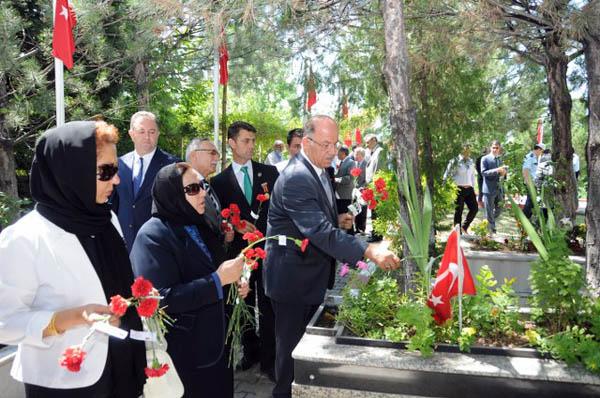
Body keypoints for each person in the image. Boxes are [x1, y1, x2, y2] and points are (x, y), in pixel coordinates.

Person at [0, 121, 146, 397]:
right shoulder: (24, 238)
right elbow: (4, 323)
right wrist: (70, 318)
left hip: (120, 368)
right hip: (64, 382)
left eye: (116, 170)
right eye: (107, 171)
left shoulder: (106, 218)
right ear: (71, 173)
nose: (117, 180)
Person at [263, 115, 400, 398]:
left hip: (307, 276)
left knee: (300, 356)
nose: (331, 150)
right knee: (290, 362)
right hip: (292, 282)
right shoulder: (297, 177)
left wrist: (337, 219)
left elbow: (314, 222)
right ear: (306, 142)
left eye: (334, 144)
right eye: (325, 144)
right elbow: (320, 233)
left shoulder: (318, 168)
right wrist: (368, 250)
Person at [130, 162, 248, 398]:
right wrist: (218, 281)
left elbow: (215, 270)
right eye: (192, 189)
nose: (203, 192)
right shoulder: (152, 235)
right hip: (184, 354)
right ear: (172, 192)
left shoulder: (199, 223)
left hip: (215, 347)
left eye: (202, 185)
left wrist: (235, 284)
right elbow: (160, 299)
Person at [211, 121, 279, 379]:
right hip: (241, 253)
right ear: (231, 143)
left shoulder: (269, 173)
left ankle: (270, 360)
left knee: (269, 304)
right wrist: (233, 226)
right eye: (245, 141)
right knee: (246, 303)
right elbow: (217, 218)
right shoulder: (218, 181)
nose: (251, 146)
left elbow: (279, 208)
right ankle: (250, 352)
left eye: (253, 140)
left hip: (270, 249)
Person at [111, 111, 178, 252]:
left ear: (158, 134)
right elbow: (112, 205)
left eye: (152, 132)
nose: (147, 137)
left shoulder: (173, 166)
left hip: (157, 246)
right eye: (141, 131)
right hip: (123, 245)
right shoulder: (119, 164)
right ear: (131, 134)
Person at [186, 138, 234, 244]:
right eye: (212, 153)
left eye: (217, 154)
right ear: (194, 155)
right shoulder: (185, 187)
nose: (217, 157)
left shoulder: (207, 185)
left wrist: (224, 235)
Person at [443, 144, 478, 233]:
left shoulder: (470, 161)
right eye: (465, 149)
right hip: (458, 189)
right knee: (459, 210)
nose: (467, 151)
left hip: (469, 189)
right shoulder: (455, 161)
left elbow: (473, 176)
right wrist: (447, 186)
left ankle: (464, 227)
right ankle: (457, 231)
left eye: (468, 149)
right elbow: (447, 175)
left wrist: (474, 187)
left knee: (474, 209)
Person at [481, 140, 508, 234]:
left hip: (499, 189)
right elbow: (483, 173)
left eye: (497, 148)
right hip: (488, 189)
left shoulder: (500, 160)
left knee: (500, 209)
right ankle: (491, 229)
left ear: (499, 148)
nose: (495, 149)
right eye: (493, 147)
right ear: (490, 148)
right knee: (489, 210)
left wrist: (504, 173)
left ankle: (488, 221)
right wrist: (497, 170)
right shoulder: (485, 159)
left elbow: (503, 174)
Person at [364, 133, 383, 242]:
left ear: (374, 140)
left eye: (368, 142)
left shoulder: (380, 151)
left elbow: (379, 169)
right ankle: (376, 232)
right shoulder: (373, 152)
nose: (366, 145)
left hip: (376, 186)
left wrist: (375, 185)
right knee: (373, 211)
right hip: (372, 186)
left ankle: (377, 234)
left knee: (376, 211)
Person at [334, 145, 356, 234]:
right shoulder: (341, 162)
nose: (336, 153)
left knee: (347, 216)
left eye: (338, 151)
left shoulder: (350, 162)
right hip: (339, 194)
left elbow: (350, 178)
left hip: (345, 194)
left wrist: (336, 179)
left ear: (343, 153)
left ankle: (350, 235)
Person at [522, 143, 545, 219]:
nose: (541, 153)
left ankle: (526, 218)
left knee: (531, 202)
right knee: (530, 202)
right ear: (538, 149)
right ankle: (524, 218)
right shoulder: (530, 157)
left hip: (533, 183)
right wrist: (528, 183)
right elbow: (525, 170)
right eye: (542, 151)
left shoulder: (535, 157)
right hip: (530, 183)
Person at [353, 147, 368, 234]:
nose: (355, 155)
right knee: (355, 208)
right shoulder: (356, 164)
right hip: (356, 190)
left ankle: (362, 228)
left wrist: (362, 188)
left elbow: (367, 178)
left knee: (362, 210)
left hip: (362, 190)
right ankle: (357, 228)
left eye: (356, 153)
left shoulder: (365, 164)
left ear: (360, 154)